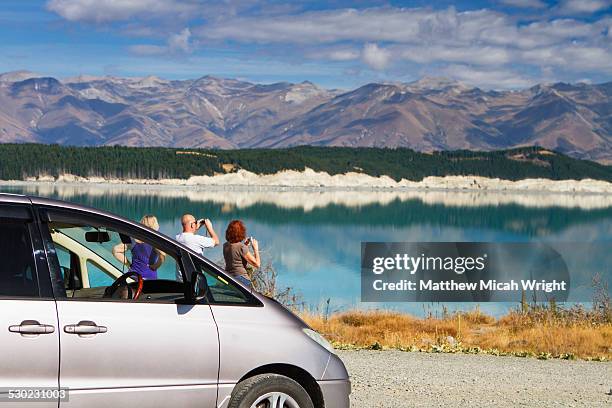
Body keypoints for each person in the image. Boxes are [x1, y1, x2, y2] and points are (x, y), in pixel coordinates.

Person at [112, 215, 165, 280]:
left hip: (133, 276)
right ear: (155, 225)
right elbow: (162, 256)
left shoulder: (133, 239)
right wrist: (155, 266)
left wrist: (128, 264)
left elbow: (115, 250)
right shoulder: (154, 241)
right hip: (149, 278)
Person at [175, 214, 219, 281]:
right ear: (192, 225)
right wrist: (209, 227)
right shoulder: (197, 240)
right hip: (195, 281)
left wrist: (195, 226)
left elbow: (189, 237)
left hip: (180, 280)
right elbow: (216, 241)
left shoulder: (177, 238)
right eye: (195, 222)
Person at [223, 220, 260, 287]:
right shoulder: (241, 247)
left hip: (229, 278)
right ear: (241, 232)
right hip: (242, 279)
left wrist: (245, 245)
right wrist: (255, 249)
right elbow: (257, 264)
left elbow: (236, 254)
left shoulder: (225, 245)